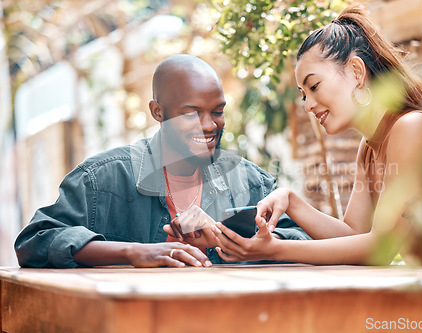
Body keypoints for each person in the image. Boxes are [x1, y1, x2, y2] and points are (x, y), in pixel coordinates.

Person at [14, 55, 309, 268]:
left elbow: (303, 242)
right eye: (191, 113)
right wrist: (134, 252)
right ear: (158, 112)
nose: (209, 125)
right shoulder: (102, 179)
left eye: (217, 111)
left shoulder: (249, 180)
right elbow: (35, 241)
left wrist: (227, 238)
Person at [211, 5, 422, 265]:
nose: (308, 105)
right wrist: (291, 201)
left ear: (356, 71)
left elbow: (379, 248)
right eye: (303, 94)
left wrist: (274, 250)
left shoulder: (411, 127)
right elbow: (354, 234)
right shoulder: (369, 148)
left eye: (314, 86)